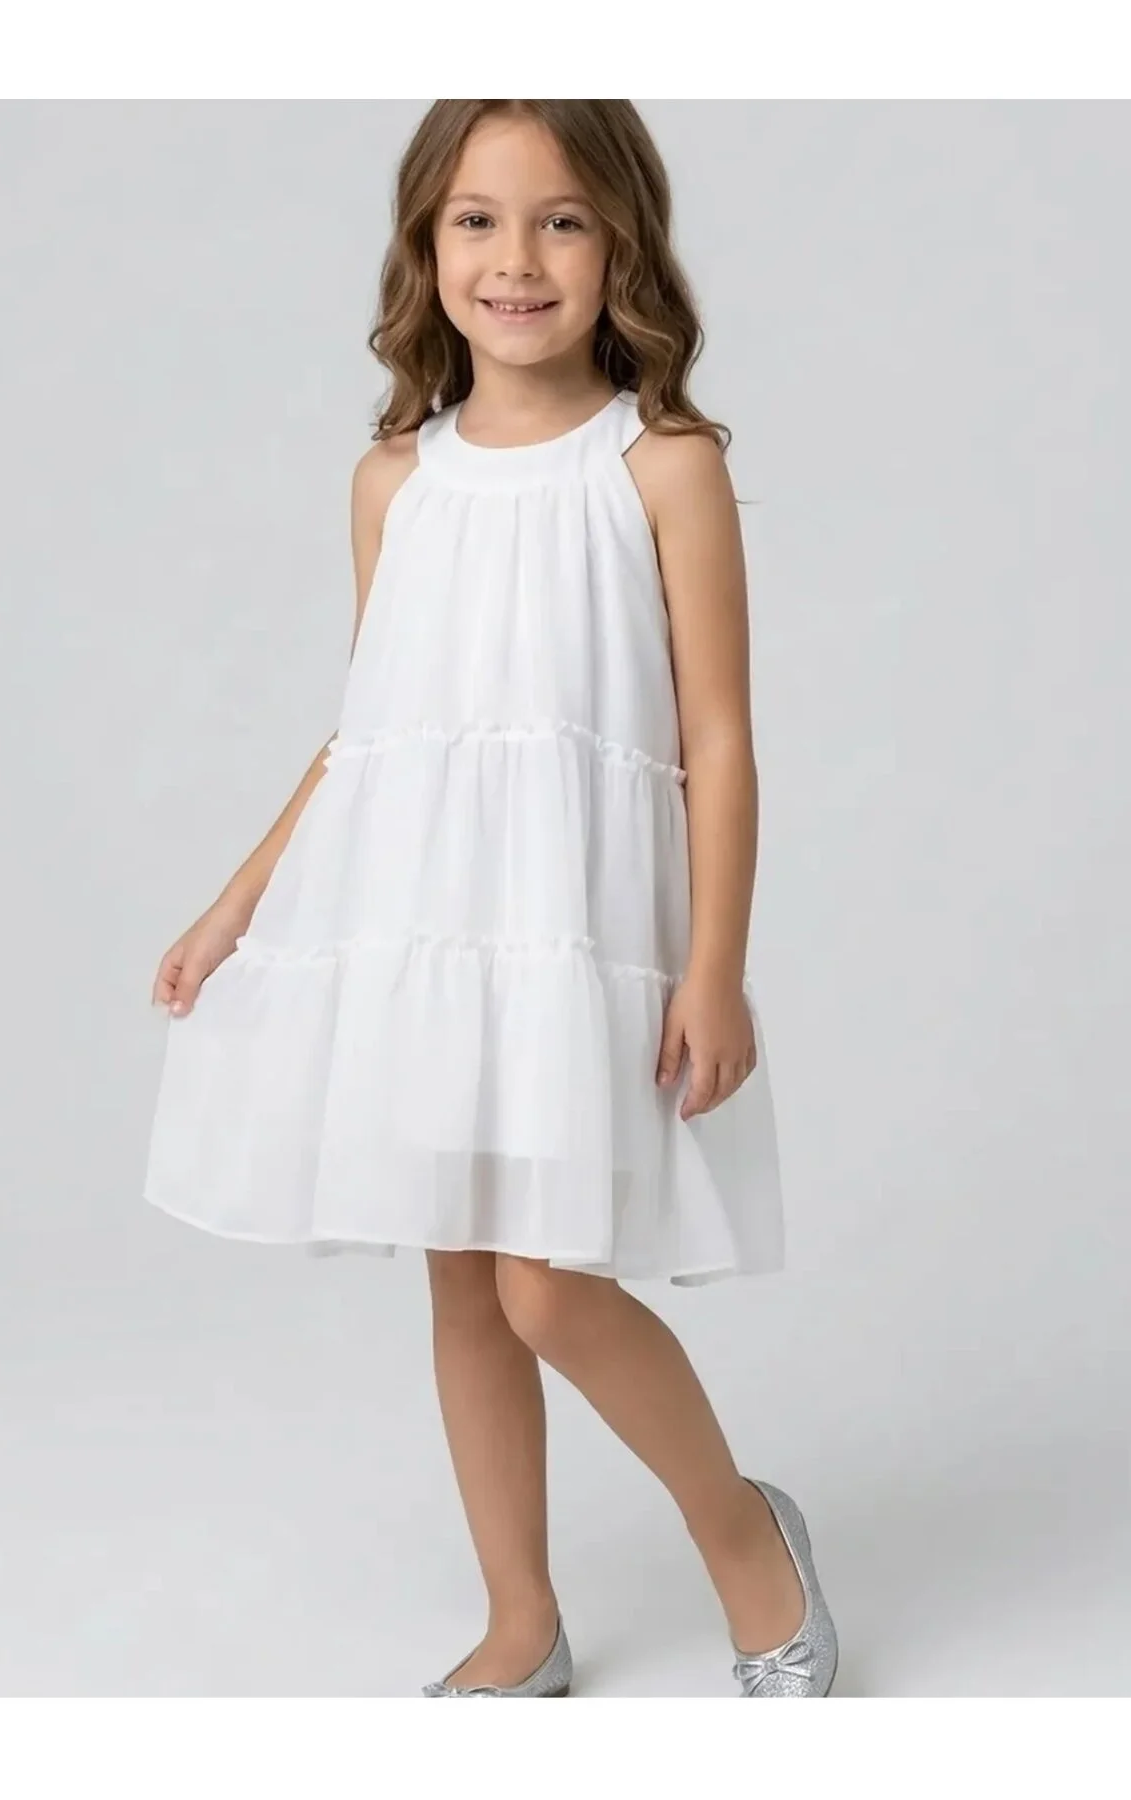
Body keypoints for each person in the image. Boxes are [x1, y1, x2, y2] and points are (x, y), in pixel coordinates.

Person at [143, 99, 837, 1699]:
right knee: (464, 1277)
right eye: (477, 219)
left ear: (621, 244)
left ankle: (745, 1534)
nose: (515, 259)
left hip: (569, 920)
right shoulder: (394, 482)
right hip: (427, 916)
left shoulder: (661, 467)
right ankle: (521, 1620)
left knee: (548, 1284)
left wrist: (715, 967)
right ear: (427, 245)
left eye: (560, 220)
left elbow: (720, 738)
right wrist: (238, 903)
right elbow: (374, 730)